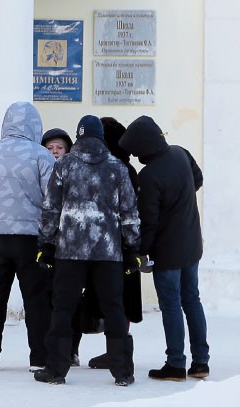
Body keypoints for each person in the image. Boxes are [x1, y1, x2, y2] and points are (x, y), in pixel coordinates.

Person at [34, 115, 142, 386]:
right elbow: (129, 211)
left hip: (69, 252)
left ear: (79, 137)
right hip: (108, 252)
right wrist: (132, 247)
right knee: (114, 309)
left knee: (63, 309)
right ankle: (123, 372)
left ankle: (56, 370)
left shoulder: (65, 166)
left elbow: (51, 209)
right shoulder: (117, 167)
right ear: (102, 138)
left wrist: (45, 243)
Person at [118, 115, 210, 381]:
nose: (134, 157)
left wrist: (140, 252)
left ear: (143, 146)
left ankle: (176, 364)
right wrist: (180, 203)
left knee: (171, 305)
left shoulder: (149, 176)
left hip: (167, 253)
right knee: (192, 300)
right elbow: (198, 179)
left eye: (135, 151)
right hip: (192, 244)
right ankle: (201, 362)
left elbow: (149, 223)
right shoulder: (181, 154)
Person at [0, 101, 55, 372]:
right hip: (30, 237)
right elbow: (52, 198)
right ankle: (39, 358)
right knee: (36, 298)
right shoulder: (42, 155)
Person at [86, 117, 144, 370]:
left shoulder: (113, 168)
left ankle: (117, 353)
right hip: (125, 242)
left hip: (112, 244)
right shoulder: (126, 168)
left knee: (116, 298)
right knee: (122, 297)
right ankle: (118, 351)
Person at [41, 128, 82, 367]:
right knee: (47, 301)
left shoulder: (74, 172)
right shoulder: (39, 171)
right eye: (50, 148)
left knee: (71, 301)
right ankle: (50, 349)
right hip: (47, 247)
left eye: (59, 148)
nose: (55, 152)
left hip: (70, 248)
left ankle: (71, 350)